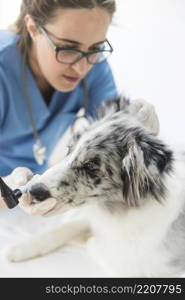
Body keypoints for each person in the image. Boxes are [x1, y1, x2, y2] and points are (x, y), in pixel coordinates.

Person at [0, 0, 159, 214]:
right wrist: (8, 191)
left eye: (95, 48)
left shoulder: (95, 67)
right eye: (68, 48)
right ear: (33, 28)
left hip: (34, 191)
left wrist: (140, 131)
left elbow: (114, 140)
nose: (81, 67)